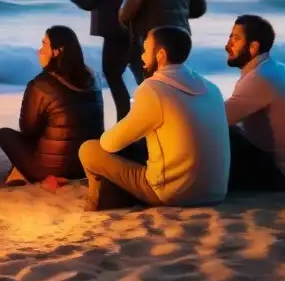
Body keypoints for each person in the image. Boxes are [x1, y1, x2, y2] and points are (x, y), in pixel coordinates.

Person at [79, 26, 230, 210]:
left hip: (173, 193)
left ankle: (99, 202)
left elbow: (110, 143)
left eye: (145, 50)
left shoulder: (154, 89)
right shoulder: (211, 88)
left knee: (89, 150)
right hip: (216, 191)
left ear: (160, 55)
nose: (141, 56)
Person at [0, 26, 104, 191]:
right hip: (87, 164)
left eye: (44, 44)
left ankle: (38, 177)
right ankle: (18, 173)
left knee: (4, 134)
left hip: (52, 169)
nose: (39, 51)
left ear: (56, 51)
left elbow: (28, 130)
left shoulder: (41, 85)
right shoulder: (93, 79)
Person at [223, 14, 285, 192]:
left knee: (212, 133)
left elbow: (213, 120)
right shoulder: (272, 69)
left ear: (253, 47)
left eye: (235, 39)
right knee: (229, 132)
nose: (227, 45)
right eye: (230, 37)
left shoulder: (262, 77)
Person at [68, 0, 143, 121]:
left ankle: (125, 122)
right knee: (143, 79)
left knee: (112, 75)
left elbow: (91, 0)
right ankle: (151, 119)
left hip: (114, 30)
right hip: (136, 29)